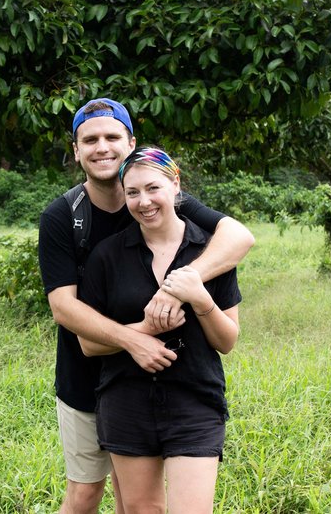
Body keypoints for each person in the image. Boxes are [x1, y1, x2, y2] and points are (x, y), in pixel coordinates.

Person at [38, 99, 254, 514]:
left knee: (133, 504)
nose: (102, 147)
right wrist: (139, 337)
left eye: (112, 137)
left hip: (172, 387)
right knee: (85, 494)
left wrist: (179, 287)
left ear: (130, 142)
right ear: (77, 149)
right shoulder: (64, 216)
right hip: (89, 371)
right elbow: (64, 308)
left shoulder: (159, 191)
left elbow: (239, 237)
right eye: (90, 140)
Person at [77, 146, 241, 514]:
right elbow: (88, 344)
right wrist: (144, 330)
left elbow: (227, 341)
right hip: (126, 400)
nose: (144, 201)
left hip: (195, 400)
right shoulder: (107, 255)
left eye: (153, 188)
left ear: (175, 185)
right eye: (132, 193)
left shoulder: (210, 251)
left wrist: (200, 299)